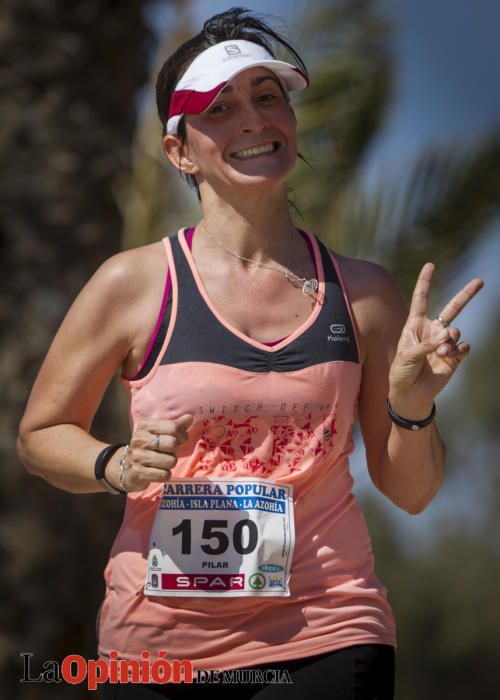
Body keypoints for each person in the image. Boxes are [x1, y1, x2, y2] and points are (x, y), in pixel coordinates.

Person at [17, 7, 484, 699]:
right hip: (154, 649)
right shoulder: (132, 285)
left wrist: (412, 407)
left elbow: (412, 493)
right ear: (179, 151)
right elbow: (39, 435)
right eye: (220, 106)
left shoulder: (363, 295)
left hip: (327, 630)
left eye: (267, 96)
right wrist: (113, 464)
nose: (253, 120)